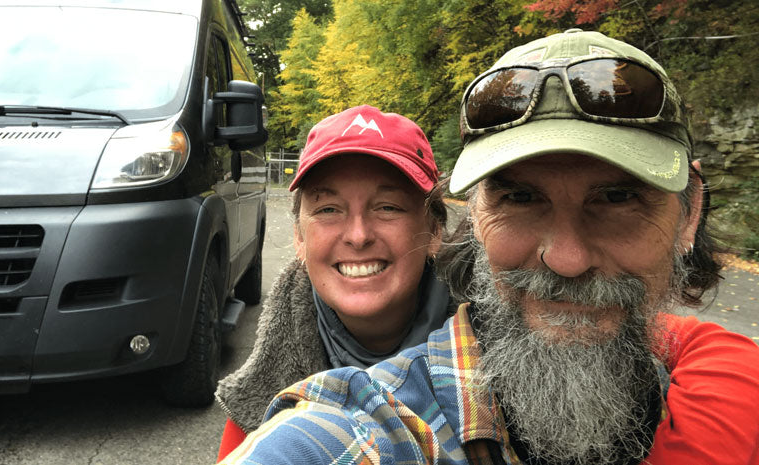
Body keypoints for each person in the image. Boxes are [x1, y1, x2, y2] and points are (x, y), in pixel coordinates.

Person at [220, 30, 759, 465]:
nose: (566, 258)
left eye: (617, 197)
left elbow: (696, 341)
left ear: (689, 213)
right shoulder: (356, 414)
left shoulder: (674, 367)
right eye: (522, 197)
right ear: (474, 218)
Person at [214, 105, 453, 459]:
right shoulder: (252, 412)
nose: (358, 236)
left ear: (434, 230)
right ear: (299, 237)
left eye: (388, 207)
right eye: (328, 209)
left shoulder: (505, 381)